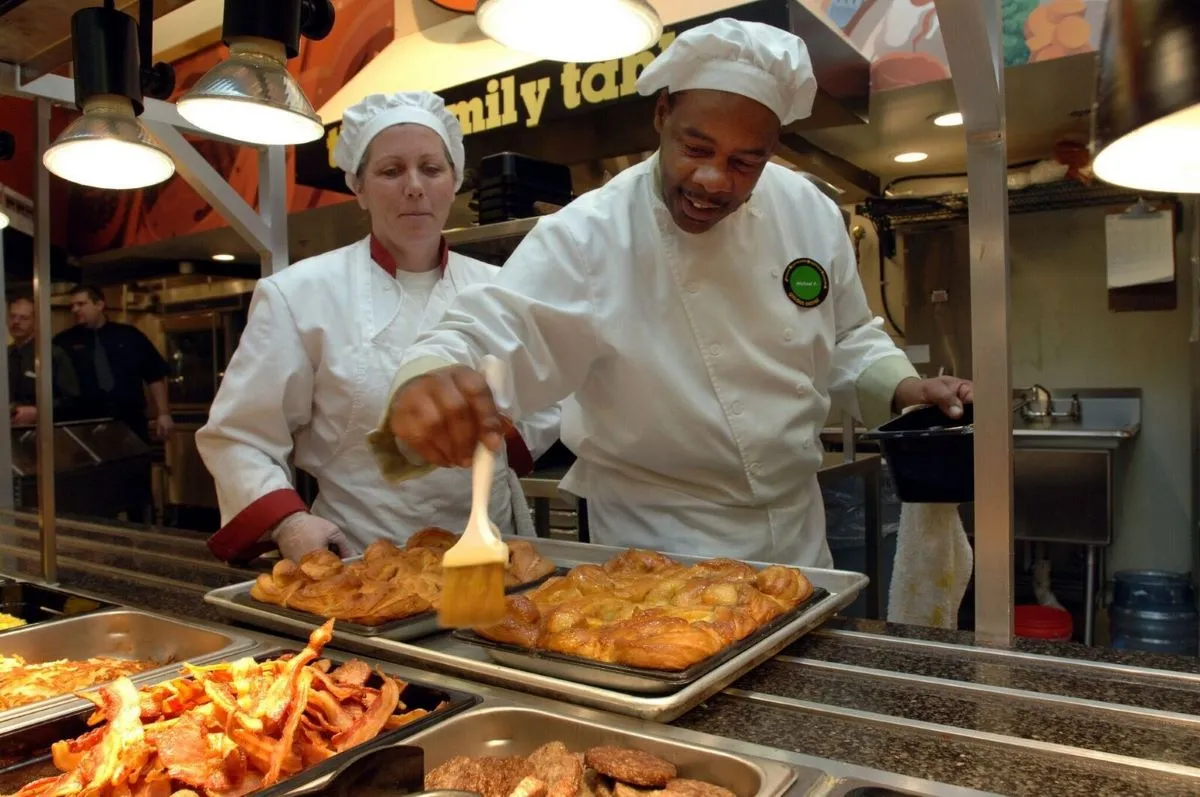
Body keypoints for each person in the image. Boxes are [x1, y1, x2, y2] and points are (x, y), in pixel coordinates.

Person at [369, 19, 973, 568]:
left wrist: (904, 386)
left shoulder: (809, 211)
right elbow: (492, 330)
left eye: (745, 162)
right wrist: (430, 378)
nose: (713, 180)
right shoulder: (590, 234)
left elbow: (848, 335)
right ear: (662, 115)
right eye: (696, 148)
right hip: (658, 545)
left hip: (796, 532)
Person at [197, 91, 561, 565]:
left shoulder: (499, 287)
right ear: (359, 188)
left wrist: (498, 431)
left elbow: (551, 397)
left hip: (491, 551)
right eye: (391, 171)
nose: (414, 186)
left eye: (432, 169)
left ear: (454, 184)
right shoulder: (299, 294)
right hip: (361, 557)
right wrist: (289, 522)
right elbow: (240, 434)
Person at [54, 285, 174, 443]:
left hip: (130, 419)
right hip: (85, 423)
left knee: (134, 464)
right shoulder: (64, 341)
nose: (75, 309)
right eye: (72, 305)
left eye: (81, 304)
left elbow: (154, 374)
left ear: (99, 305)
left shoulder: (129, 335)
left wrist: (163, 413)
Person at [7, 296, 81, 426]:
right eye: (13, 316)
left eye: (23, 318)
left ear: (36, 321)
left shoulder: (52, 354)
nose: (16, 322)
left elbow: (71, 399)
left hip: (44, 432)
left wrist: (38, 411)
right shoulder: (6, 355)